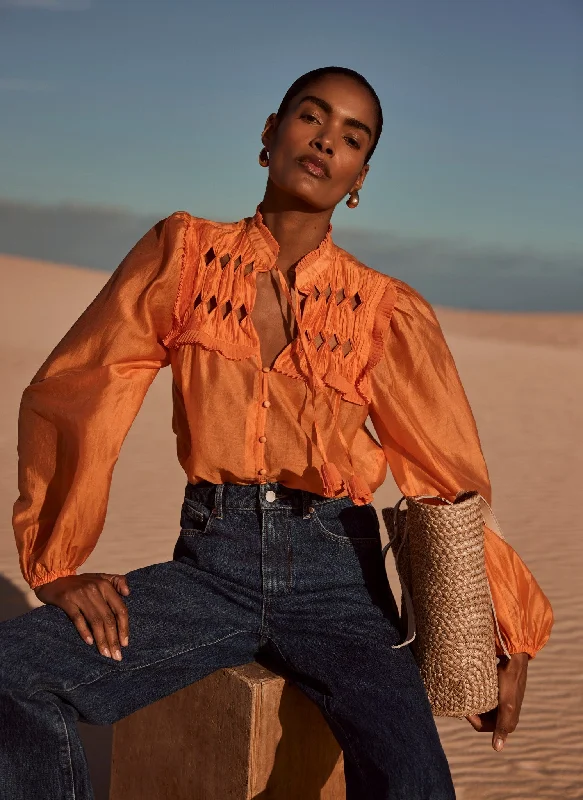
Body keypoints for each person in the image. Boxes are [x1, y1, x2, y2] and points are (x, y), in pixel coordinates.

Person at [0, 66, 553, 800]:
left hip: (342, 589)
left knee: (413, 778)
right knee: (13, 671)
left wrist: (507, 628)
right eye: (311, 117)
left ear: (360, 175)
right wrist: (59, 563)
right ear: (271, 131)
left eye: (351, 137)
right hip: (210, 569)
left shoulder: (386, 310)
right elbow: (82, 387)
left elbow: (448, 475)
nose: (326, 141)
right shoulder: (183, 254)